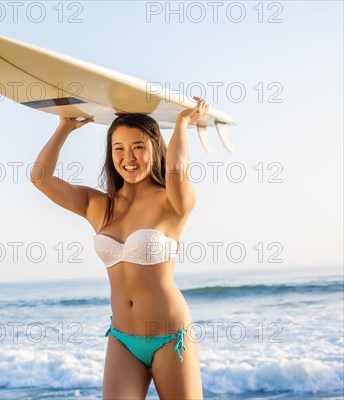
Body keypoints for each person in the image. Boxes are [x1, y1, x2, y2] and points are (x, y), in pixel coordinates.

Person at [30, 97, 209, 399]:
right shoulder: (98, 205)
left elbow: (177, 170)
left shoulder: (171, 201)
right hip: (123, 339)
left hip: (169, 336)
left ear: (155, 148)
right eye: (119, 148)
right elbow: (40, 178)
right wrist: (64, 128)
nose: (129, 157)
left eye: (138, 146)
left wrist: (182, 124)